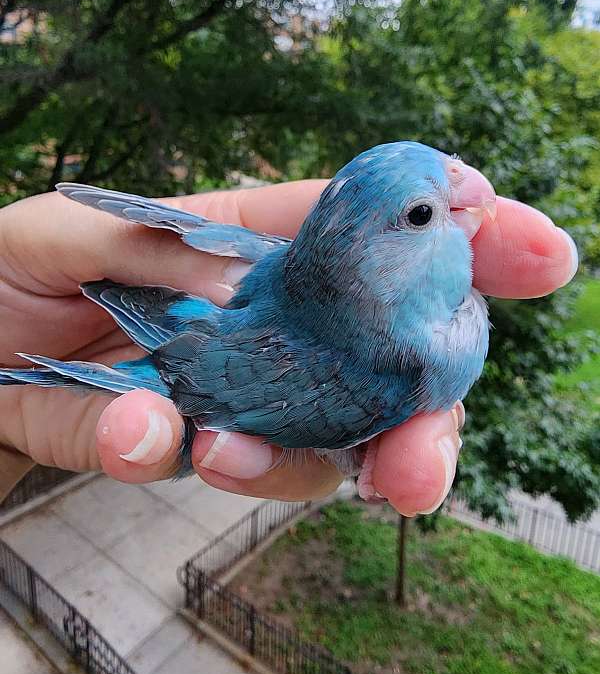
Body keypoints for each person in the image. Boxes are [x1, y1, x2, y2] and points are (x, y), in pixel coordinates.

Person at [0, 180, 577, 511]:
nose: (470, 189)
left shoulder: (396, 318)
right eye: (426, 212)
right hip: (199, 356)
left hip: (212, 344)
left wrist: (11, 431)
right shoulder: (394, 371)